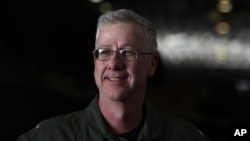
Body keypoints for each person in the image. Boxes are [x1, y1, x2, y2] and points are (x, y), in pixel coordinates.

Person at [17, 9, 210, 141]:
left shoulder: (185, 137)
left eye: (127, 52)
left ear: (152, 65)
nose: (114, 64)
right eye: (105, 52)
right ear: (95, 62)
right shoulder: (50, 137)